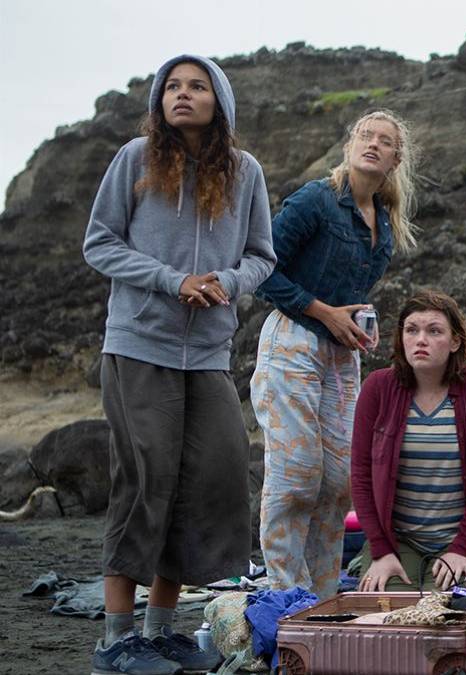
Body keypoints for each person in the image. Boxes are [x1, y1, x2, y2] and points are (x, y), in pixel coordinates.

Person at [82, 55, 275, 675]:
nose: (183, 95)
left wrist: (226, 279)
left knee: (209, 481)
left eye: (197, 86)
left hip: (210, 354)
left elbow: (261, 256)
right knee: (145, 480)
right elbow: (100, 243)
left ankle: (161, 631)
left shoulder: (245, 173)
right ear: (159, 99)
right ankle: (117, 639)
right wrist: (172, 280)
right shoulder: (134, 158)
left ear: (219, 100)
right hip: (139, 345)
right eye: (173, 86)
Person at [251, 110, 419, 600]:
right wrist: (325, 312)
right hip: (293, 341)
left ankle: (323, 597)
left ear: (395, 158)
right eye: (365, 135)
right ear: (350, 145)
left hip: (340, 354)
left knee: (339, 480)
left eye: (384, 140)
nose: (372, 143)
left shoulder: (384, 225)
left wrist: (356, 324)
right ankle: (287, 595)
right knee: (295, 474)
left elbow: (351, 293)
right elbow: (261, 269)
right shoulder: (316, 201)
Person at [349, 290, 466, 592]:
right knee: (389, 618)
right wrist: (381, 550)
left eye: (434, 330)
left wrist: (464, 548)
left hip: (464, 539)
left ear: (454, 342)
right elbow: (360, 475)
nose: (420, 339)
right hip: (399, 541)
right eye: (411, 330)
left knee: (447, 616)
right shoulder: (377, 388)